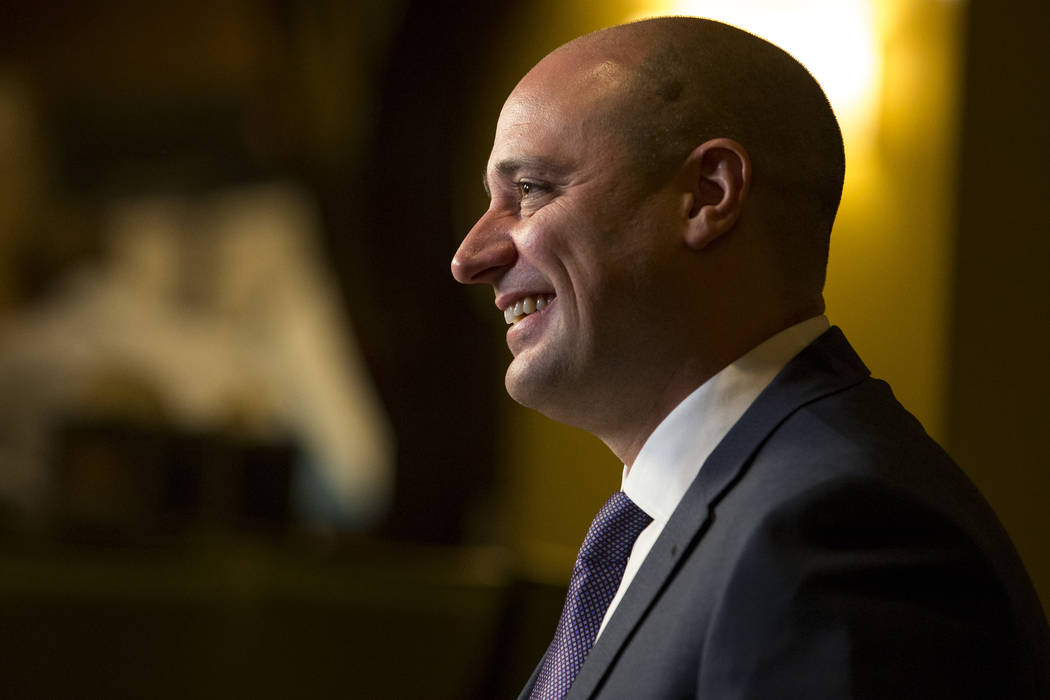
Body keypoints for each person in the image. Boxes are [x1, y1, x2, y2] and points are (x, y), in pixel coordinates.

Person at [451, 16, 1050, 700]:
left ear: (709, 194)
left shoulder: (837, 530)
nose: (469, 257)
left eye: (530, 190)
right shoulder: (701, 517)